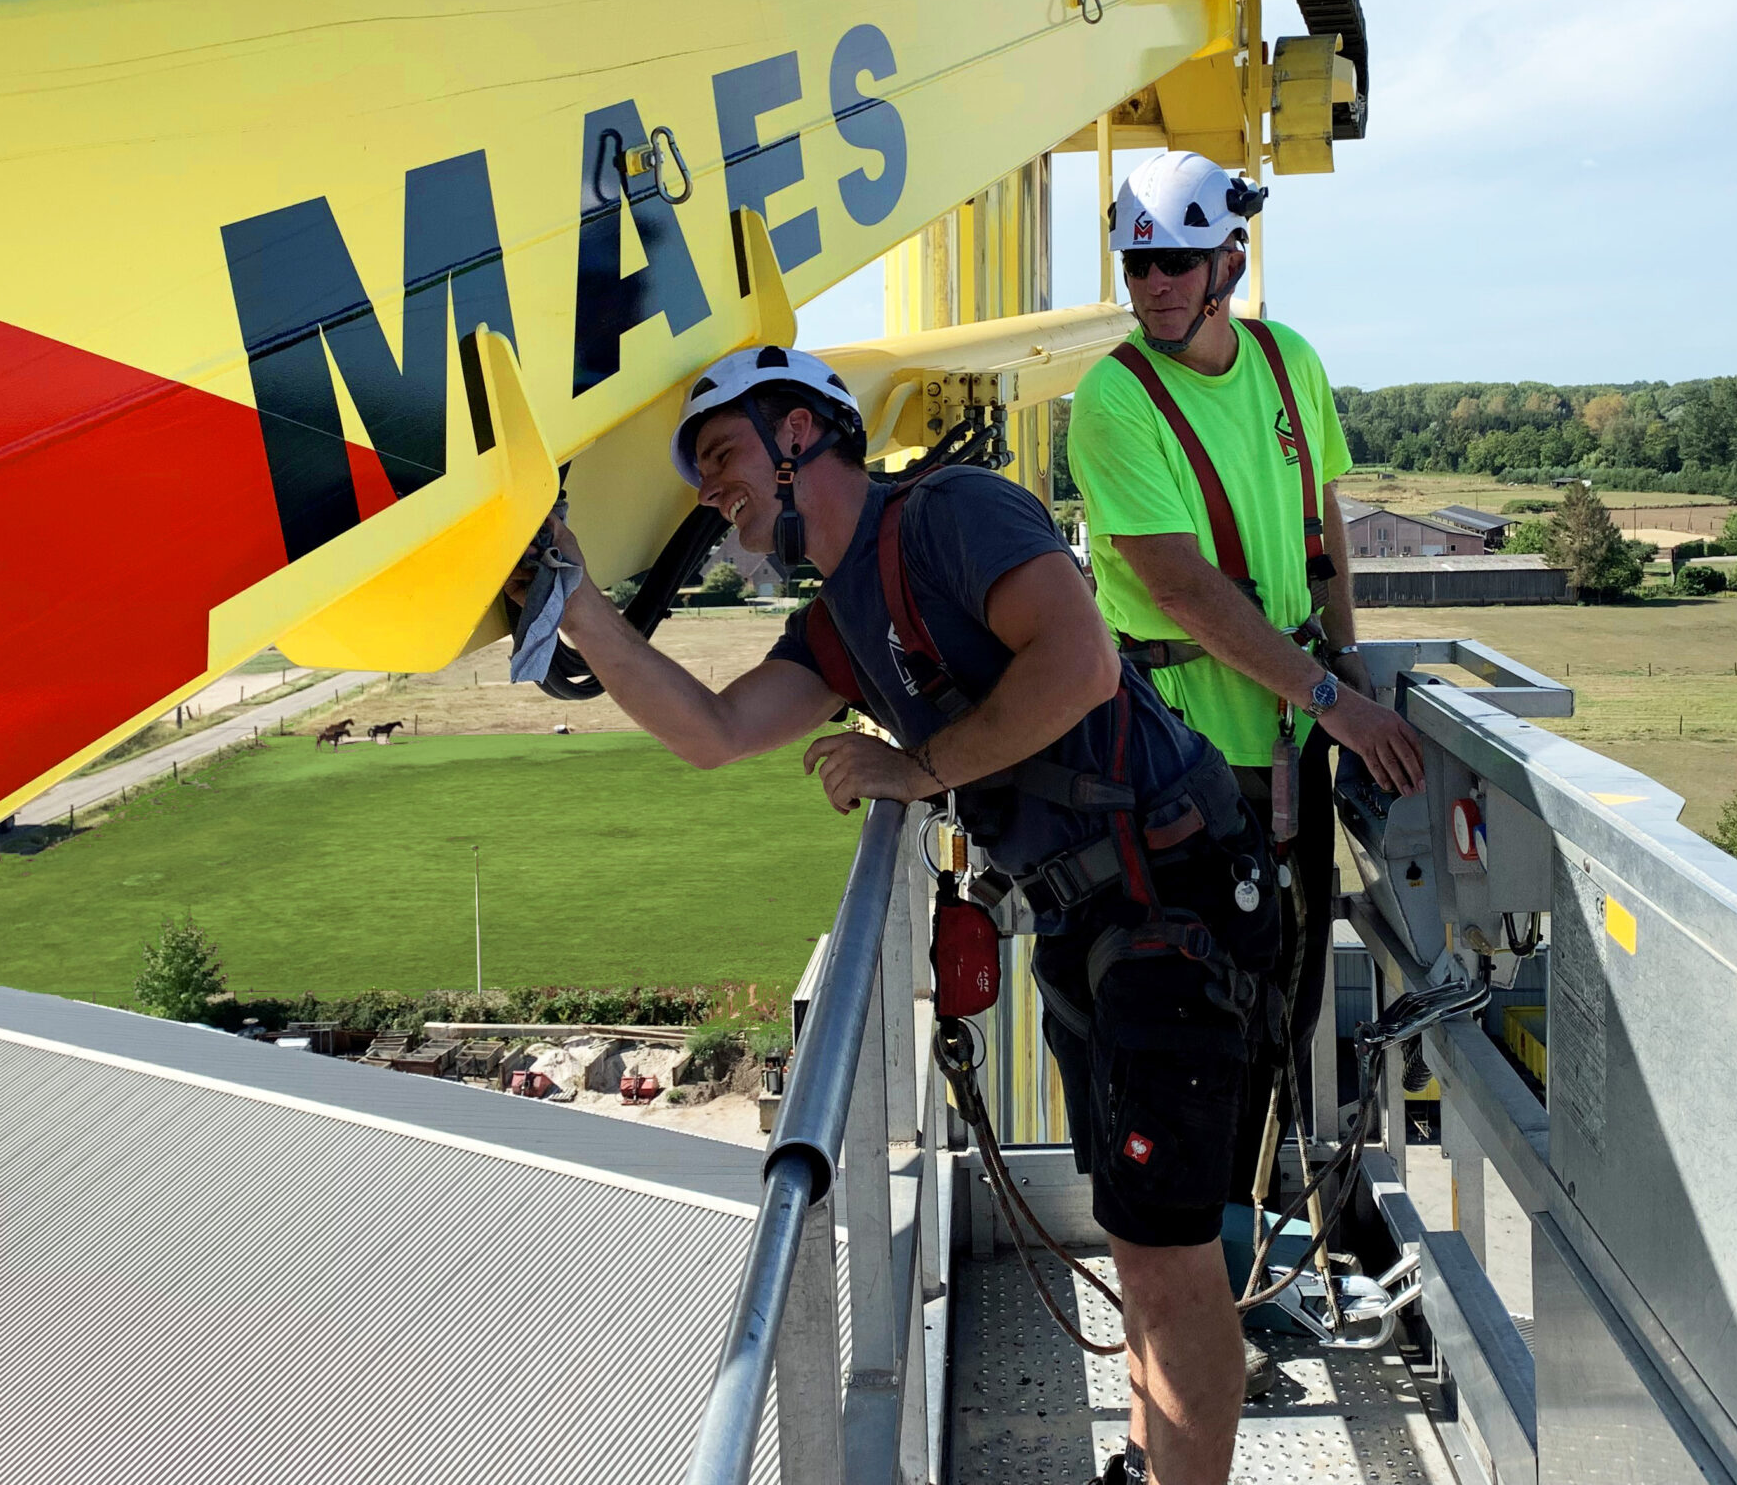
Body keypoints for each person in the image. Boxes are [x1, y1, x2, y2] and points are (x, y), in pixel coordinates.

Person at [524, 342, 1278, 1485]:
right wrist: (578, 605)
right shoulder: (842, 621)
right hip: (1100, 919)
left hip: (1172, 897)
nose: (710, 491)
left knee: (1170, 1262)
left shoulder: (947, 516)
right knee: (1139, 1240)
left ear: (797, 435)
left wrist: (916, 768)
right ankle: (1144, 1463)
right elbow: (714, 731)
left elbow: (1079, 663)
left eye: (720, 455)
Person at [1064, 149, 1425, 1209]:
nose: (1152, 285)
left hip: (1287, 752)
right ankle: (1194, 1247)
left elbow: (1323, 529)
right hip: (1177, 763)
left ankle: (1245, 1227)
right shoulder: (1114, 400)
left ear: (1230, 259)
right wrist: (1334, 700)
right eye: (1136, 266)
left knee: (1285, 1001)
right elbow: (1180, 590)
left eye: (1175, 262)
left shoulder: (1286, 363)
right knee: (1193, 1012)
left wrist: (1345, 661)